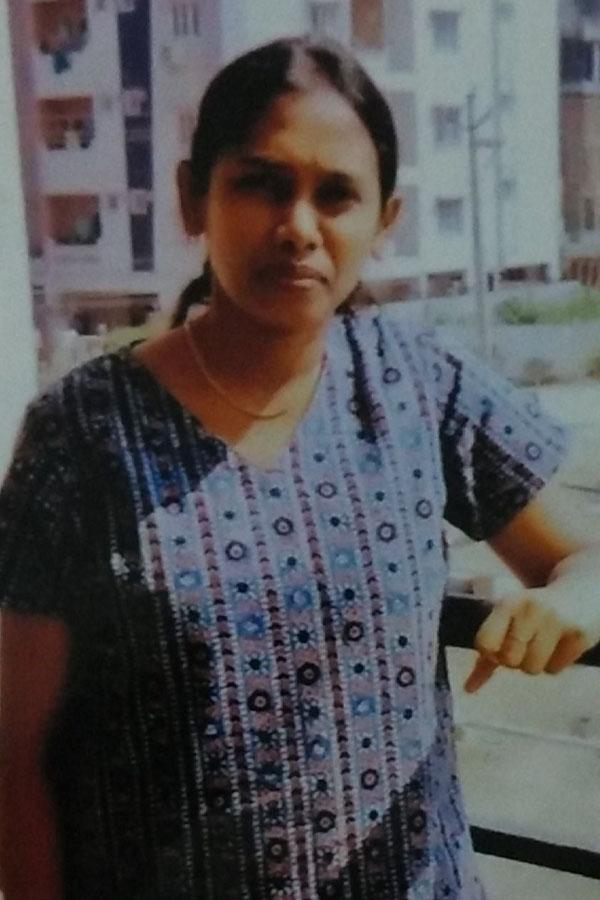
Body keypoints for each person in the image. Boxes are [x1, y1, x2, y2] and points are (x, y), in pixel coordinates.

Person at [0, 35, 598, 900]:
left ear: (384, 222)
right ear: (193, 197)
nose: (298, 228)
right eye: (262, 184)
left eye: (337, 195)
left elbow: (584, 554)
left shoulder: (416, 383)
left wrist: (575, 599)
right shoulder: (83, 432)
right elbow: (15, 748)